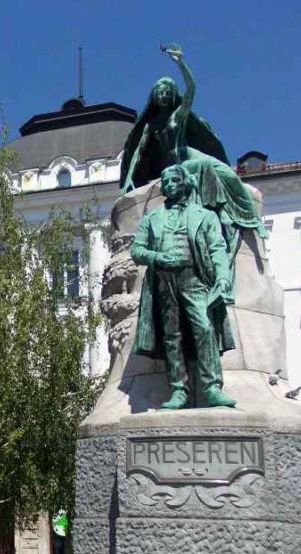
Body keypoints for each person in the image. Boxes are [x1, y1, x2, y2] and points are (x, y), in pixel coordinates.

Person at [120, 44, 266, 241]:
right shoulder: (151, 125)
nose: (163, 96)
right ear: (154, 97)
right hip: (175, 166)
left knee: (226, 173)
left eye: (167, 92)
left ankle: (251, 219)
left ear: (172, 95)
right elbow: (138, 153)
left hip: (187, 155)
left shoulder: (178, 115)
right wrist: (129, 179)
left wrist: (180, 63)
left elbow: (191, 89)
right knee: (209, 168)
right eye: (160, 93)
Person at [131, 164, 237, 410]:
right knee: (171, 336)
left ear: (185, 183)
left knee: (205, 328)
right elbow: (136, 250)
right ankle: (179, 389)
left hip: (195, 279)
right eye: (165, 182)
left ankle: (212, 387)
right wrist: (157, 258)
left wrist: (223, 278)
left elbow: (217, 249)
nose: (169, 186)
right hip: (164, 281)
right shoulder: (151, 218)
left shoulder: (205, 216)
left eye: (174, 181)